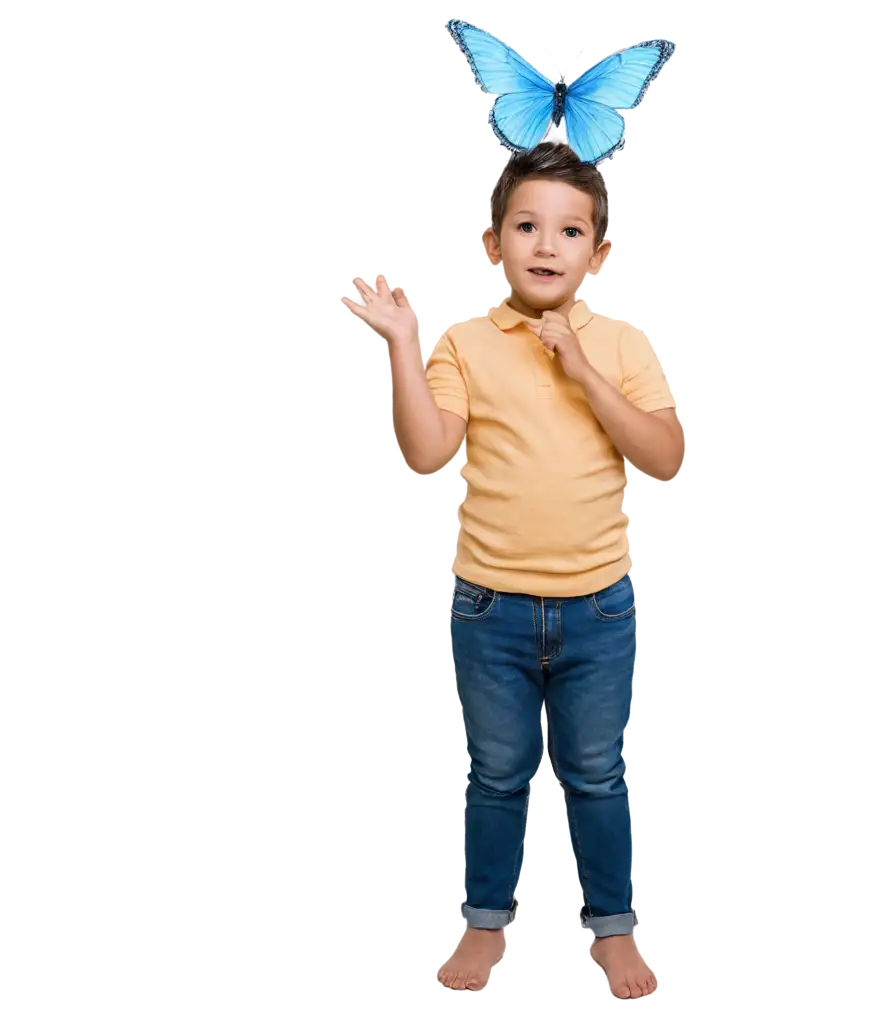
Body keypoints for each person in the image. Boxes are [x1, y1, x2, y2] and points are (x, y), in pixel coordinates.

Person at [336, 138, 684, 999]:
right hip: (488, 605)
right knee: (495, 774)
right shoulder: (463, 342)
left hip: (597, 609)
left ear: (598, 253)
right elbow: (426, 456)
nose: (545, 245)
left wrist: (584, 370)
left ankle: (613, 928)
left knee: (598, 774)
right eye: (526, 226)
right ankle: (485, 921)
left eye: (569, 232)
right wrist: (400, 346)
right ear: (493, 243)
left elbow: (664, 455)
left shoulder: (624, 343)